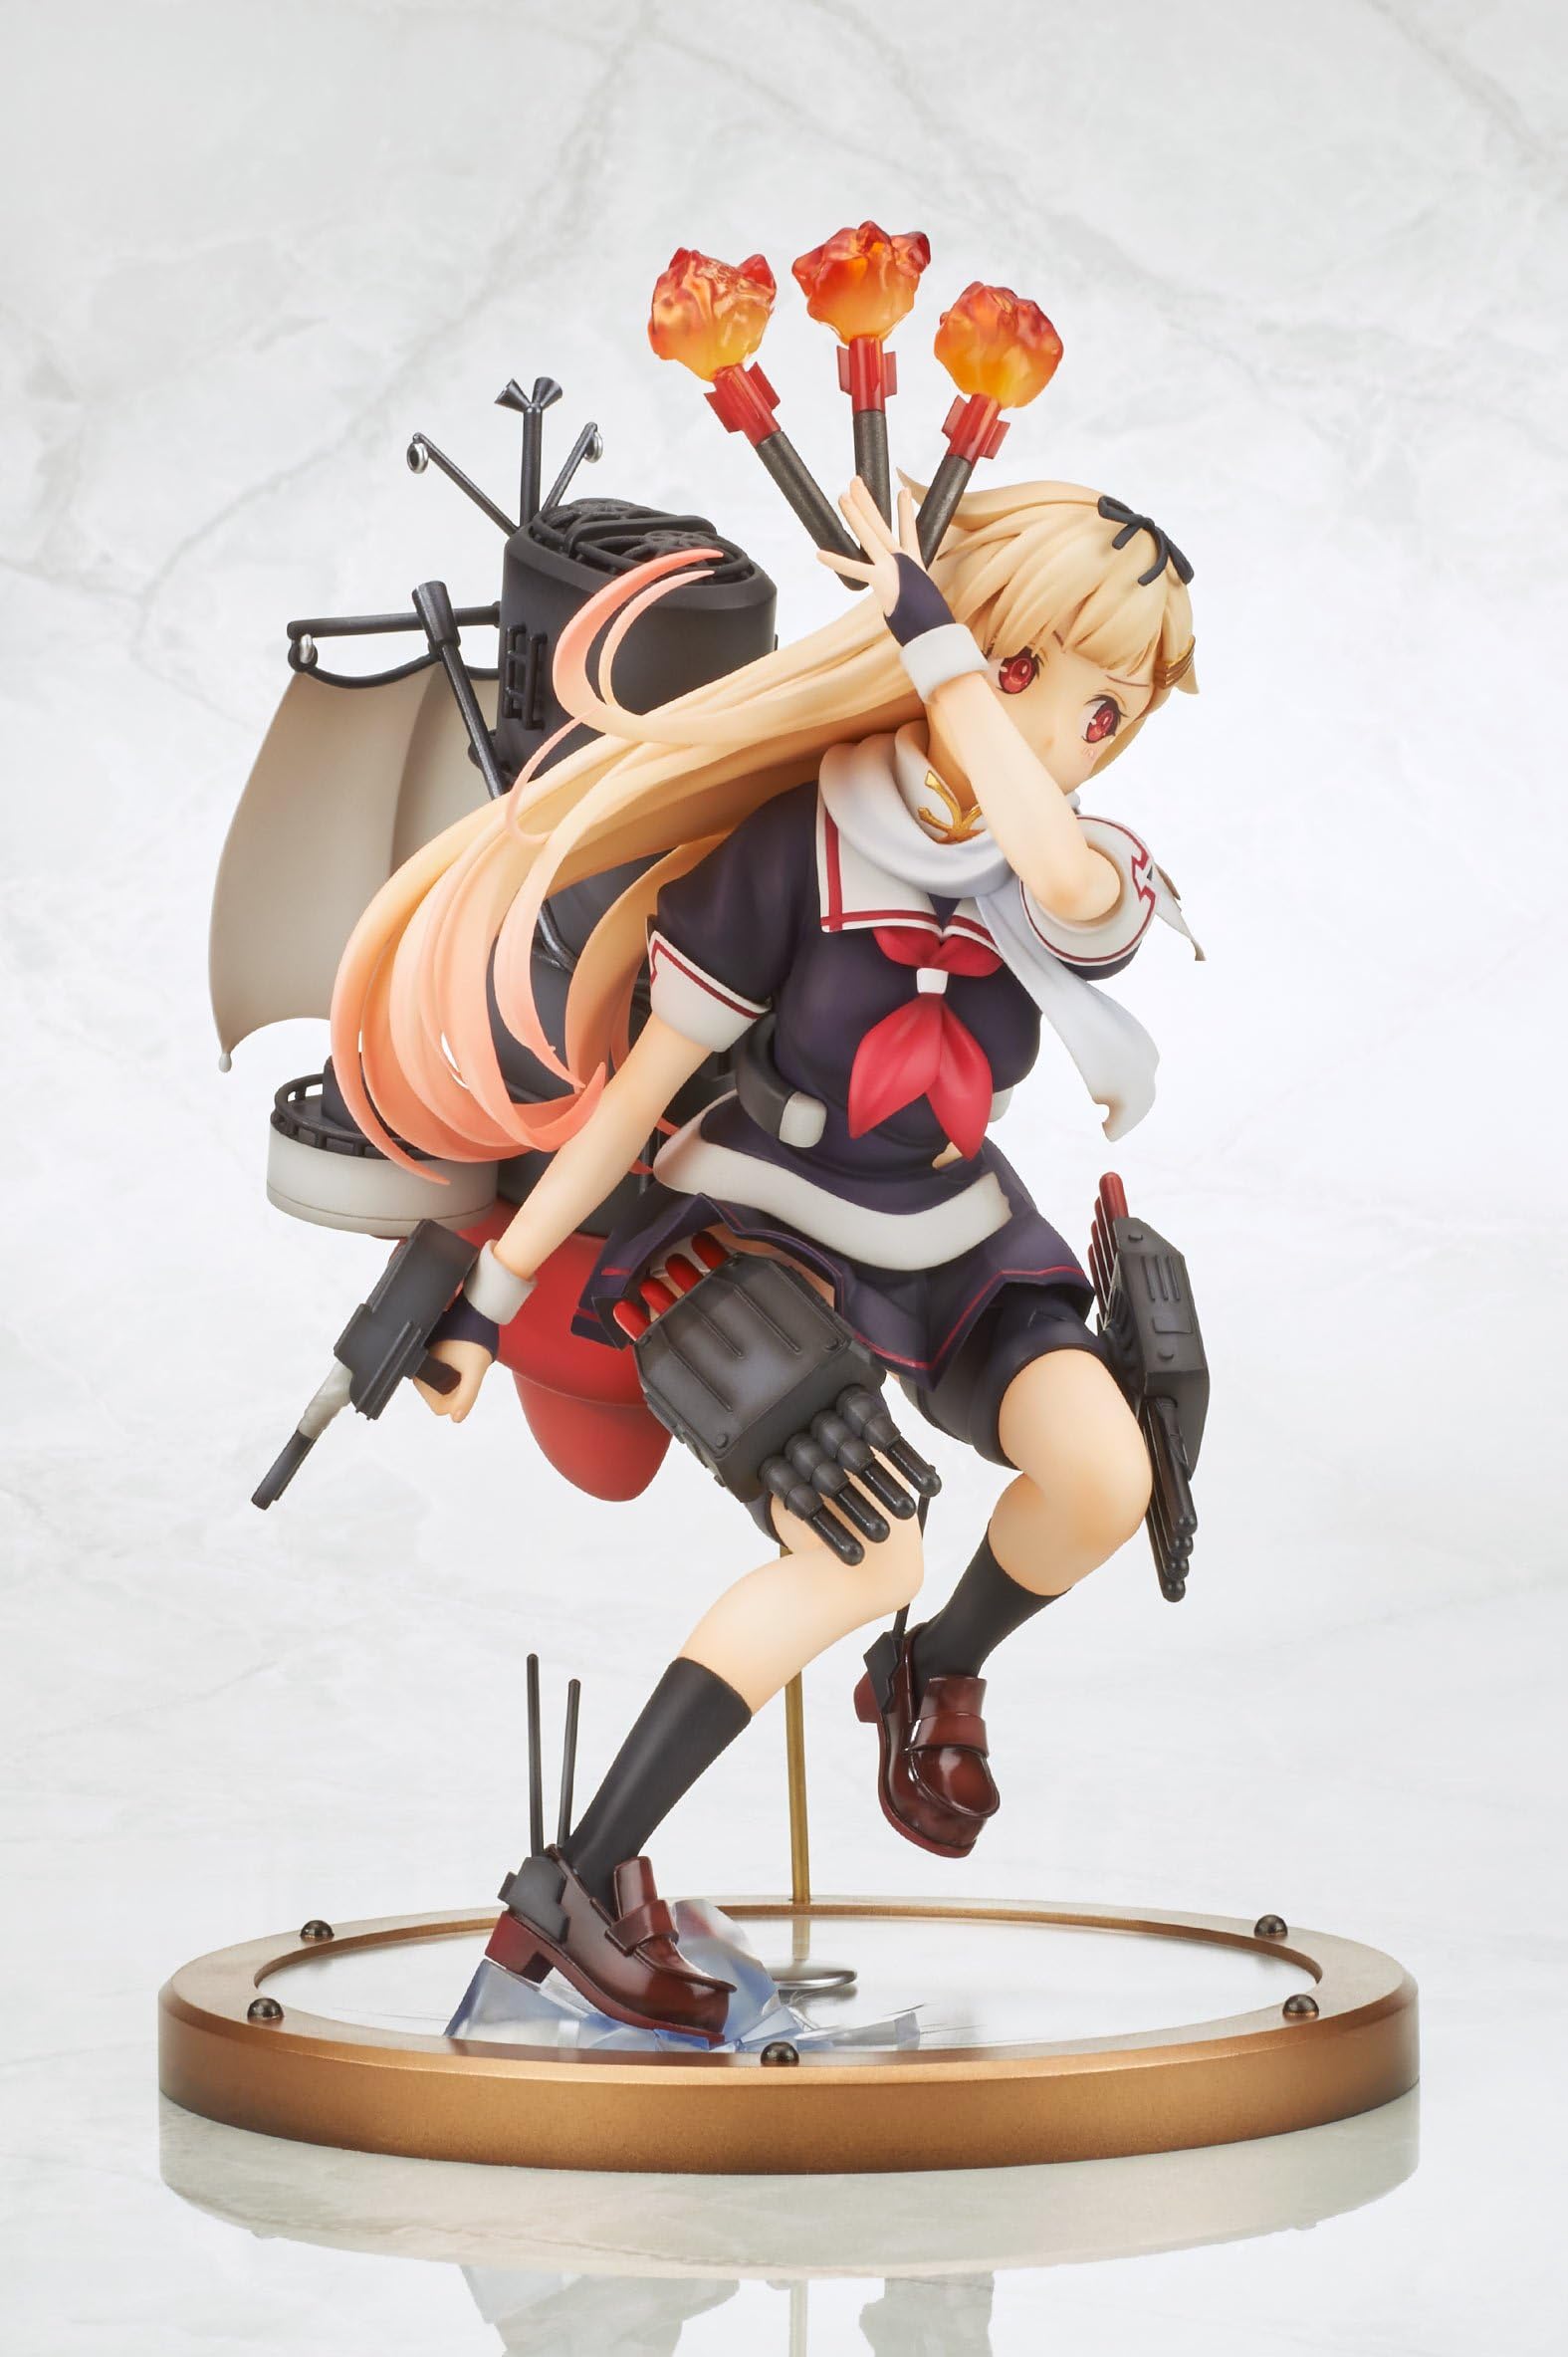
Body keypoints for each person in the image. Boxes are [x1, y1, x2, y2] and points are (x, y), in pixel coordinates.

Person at [330, 473, 1200, 2039]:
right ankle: (573, 1888)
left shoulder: (1071, 861)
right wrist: (494, 1294)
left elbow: (1068, 884)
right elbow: (638, 1097)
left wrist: (941, 650)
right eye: (1031, 674)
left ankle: (928, 1675)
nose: (1074, 737)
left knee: (1105, 1474)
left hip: (952, 1220)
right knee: (863, 1553)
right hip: (763, 1218)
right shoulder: (799, 842)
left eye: (1108, 712)